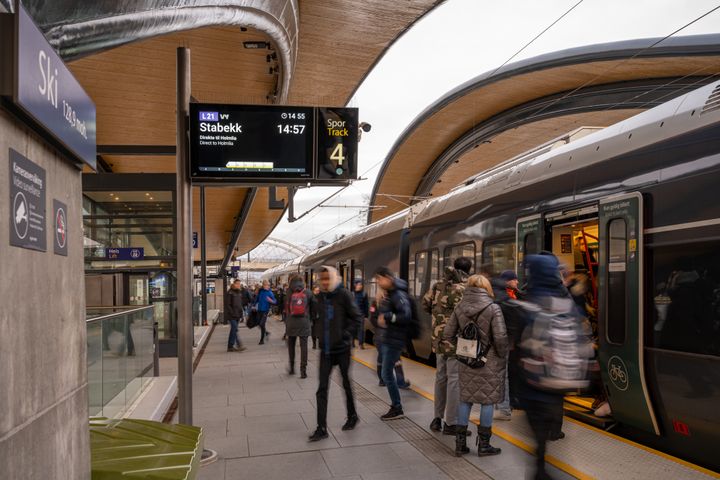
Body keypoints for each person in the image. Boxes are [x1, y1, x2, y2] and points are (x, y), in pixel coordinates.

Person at [517, 254, 576, 480]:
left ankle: (539, 468)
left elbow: (518, 342)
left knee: (537, 434)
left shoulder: (528, 300)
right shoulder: (565, 300)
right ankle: (542, 464)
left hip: (533, 382)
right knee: (547, 425)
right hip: (559, 380)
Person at [443, 274, 508, 457]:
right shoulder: (493, 308)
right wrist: (502, 356)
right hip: (490, 362)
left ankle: (460, 444)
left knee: (466, 399)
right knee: (487, 401)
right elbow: (501, 338)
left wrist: (463, 348)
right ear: (486, 288)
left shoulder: (459, 306)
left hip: (467, 359)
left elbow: (447, 335)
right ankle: (484, 445)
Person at [309, 266, 362, 441]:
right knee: (321, 388)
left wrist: (345, 335)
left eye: (327, 279)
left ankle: (352, 416)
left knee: (346, 383)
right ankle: (321, 427)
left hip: (342, 349)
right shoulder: (320, 297)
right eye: (322, 279)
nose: (324, 282)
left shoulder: (343, 295)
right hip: (326, 350)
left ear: (333, 278)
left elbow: (357, 318)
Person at [422, 257, 472, 436]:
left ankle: (437, 418)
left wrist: (438, 319)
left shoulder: (437, 286)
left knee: (440, 377)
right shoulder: (464, 288)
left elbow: (425, 304)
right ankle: (451, 423)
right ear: (468, 270)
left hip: (438, 339)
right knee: (454, 380)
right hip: (455, 341)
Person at [374, 266, 412, 421]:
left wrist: (388, 316)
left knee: (386, 373)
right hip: (389, 338)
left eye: (379, 279)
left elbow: (406, 315)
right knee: (386, 373)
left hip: (394, 340)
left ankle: (397, 407)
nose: (377, 282)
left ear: (388, 278)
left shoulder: (398, 294)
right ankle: (396, 406)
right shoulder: (390, 294)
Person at [491, 269, 523, 421]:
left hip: (502, 341)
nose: (517, 281)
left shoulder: (508, 294)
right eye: (514, 279)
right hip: (503, 341)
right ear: (508, 281)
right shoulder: (504, 297)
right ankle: (503, 408)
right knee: (502, 375)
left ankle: (502, 406)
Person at [285, 274, 316, 379]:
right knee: (304, 347)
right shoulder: (308, 292)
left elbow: (285, 307)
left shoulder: (288, 291)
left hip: (291, 323)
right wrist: (310, 319)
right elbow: (314, 307)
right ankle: (303, 371)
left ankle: (292, 368)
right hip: (304, 323)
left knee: (291, 346)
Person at [224, 280, 247, 352]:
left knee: (234, 330)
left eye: (239, 284)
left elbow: (240, 305)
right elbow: (228, 305)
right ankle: (237, 345)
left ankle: (230, 347)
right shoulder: (230, 293)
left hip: (237, 315)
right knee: (234, 329)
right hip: (232, 315)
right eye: (237, 284)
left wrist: (241, 314)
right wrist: (232, 313)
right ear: (233, 284)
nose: (238, 285)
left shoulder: (239, 293)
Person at [254, 280, 277, 345]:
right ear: (263, 285)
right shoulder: (260, 291)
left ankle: (262, 340)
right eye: (266, 285)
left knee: (262, 324)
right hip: (259, 310)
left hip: (265, 311)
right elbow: (256, 299)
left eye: (268, 285)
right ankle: (266, 333)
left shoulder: (270, 293)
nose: (268, 286)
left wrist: (271, 301)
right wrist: (253, 305)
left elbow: (275, 301)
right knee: (258, 323)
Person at [353, 280, 369, 349]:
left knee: (361, 329)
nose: (360, 286)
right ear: (355, 285)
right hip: (353, 314)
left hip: (361, 314)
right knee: (353, 329)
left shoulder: (364, 294)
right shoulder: (352, 294)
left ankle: (361, 344)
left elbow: (366, 305)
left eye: (361, 285)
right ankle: (352, 343)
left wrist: (366, 315)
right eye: (359, 285)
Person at [311, 285, 321, 349]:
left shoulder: (321, 297)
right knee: (313, 331)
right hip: (313, 316)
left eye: (318, 291)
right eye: (316, 291)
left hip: (320, 317)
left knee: (320, 331)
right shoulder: (311, 297)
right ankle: (314, 343)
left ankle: (320, 343)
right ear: (313, 291)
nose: (317, 292)